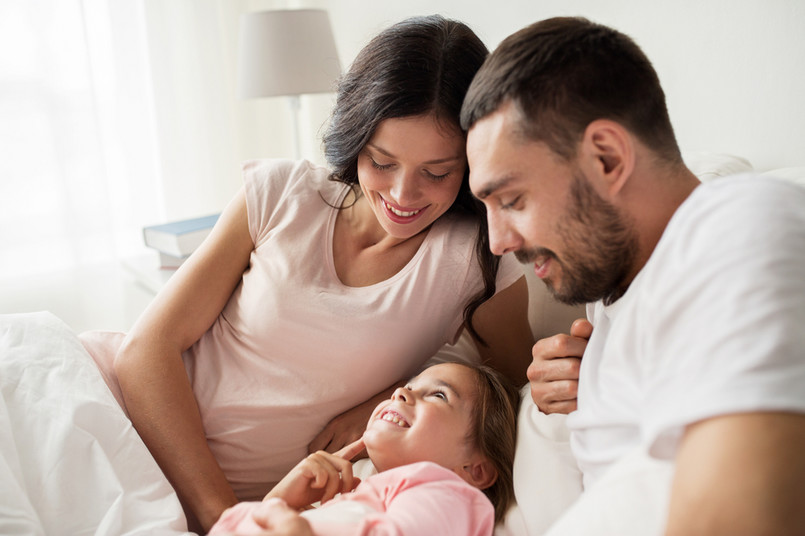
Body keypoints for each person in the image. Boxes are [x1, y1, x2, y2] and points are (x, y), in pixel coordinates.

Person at [78, 15, 535, 532]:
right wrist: (219, 515)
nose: (403, 196)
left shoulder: (475, 257)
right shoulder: (281, 193)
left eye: (436, 173)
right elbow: (145, 351)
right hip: (110, 415)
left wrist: (381, 404)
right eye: (382, 161)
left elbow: (508, 395)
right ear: (356, 136)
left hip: (226, 507)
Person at [460, 16, 805, 535]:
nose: (498, 242)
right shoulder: (616, 292)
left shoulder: (740, 227)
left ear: (607, 157)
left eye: (512, 200)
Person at [208, 362, 519, 535]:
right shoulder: (357, 494)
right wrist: (281, 500)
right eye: (409, 386)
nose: (400, 393)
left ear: (475, 469)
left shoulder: (446, 493)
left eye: (438, 396)